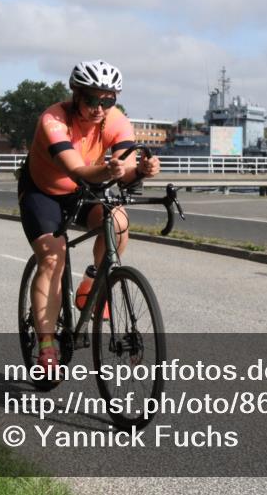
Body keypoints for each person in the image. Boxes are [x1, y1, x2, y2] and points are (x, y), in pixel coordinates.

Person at [17, 60, 160, 371]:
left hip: (83, 191)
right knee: (54, 258)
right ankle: (46, 345)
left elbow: (124, 171)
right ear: (75, 95)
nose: (99, 108)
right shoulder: (53, 119)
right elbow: (77, 170)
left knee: (118, 222)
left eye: (108, 100)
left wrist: (141, 171)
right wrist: (110, 170)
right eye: (92, 99)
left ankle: (92, 283)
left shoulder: (115, 120)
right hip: (44, 192)